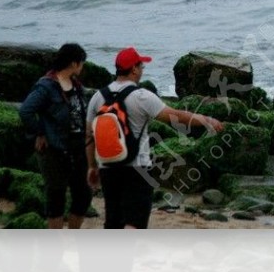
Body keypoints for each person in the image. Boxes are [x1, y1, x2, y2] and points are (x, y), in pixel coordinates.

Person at [85, 47, 225, 229]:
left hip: (108, 168)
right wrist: (206, 120)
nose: (142, 69)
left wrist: (91, 167)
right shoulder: (142, 97)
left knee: (113, 222)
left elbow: (89, 136)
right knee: (134, 222)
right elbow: (176, 116)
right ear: (134, 69)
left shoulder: (98, 97)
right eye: (141, 65)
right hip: (137, 168)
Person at [18, 43, 93, 229]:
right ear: (74, 63)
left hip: (78, 147)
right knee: (56, 196)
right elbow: (26, 111)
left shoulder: (76, 86)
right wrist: (40, 133)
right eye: (81, 63)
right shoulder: (46, 86)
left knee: (83, 194)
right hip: (54, 149)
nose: (82, 68)